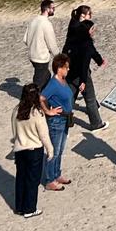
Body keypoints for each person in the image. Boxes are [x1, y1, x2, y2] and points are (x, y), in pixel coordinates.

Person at [8, 84, 50, 217]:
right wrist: (50, 150)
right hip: (34, 150)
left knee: (21, 178)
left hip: (20, 149)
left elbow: (14, 131)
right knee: (33, 180)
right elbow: (44, 134)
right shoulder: (37, 112)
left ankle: (20, 206)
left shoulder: (16, 110)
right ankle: (30, 208)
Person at [65, 4, 106, 130]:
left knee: (70, 94)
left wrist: (99, 61)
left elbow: (91, 52)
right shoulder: (84, 40)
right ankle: (96, 123)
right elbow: (84, 63)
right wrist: (83, 80)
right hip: (79, 71)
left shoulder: (76, 33)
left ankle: (66, 120)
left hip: (69, 68)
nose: (94, 31)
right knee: (90, 97)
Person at [43, 54, 75, 191]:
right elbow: (41, 98)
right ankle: (50, 180)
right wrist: (48, 111)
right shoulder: (53, 83)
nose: (68, 70)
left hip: (65, 119)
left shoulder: (63, 80)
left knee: (60, 150)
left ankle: (56, 174)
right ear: (59, 68)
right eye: (66, 67)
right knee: (53, 151)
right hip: (56, 120)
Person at [22, 0, 58, 90]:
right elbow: (51, 43)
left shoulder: (33, 21)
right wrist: (58, 56)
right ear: (47, 9)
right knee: (38, 82)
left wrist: (33, 46)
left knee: (46, 76)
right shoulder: (46, 23)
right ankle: (32, 100)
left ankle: (45, 97)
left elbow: (25, 39)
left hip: (32, 56)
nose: (54, 10)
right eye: (53, 8)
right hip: (41, 58)